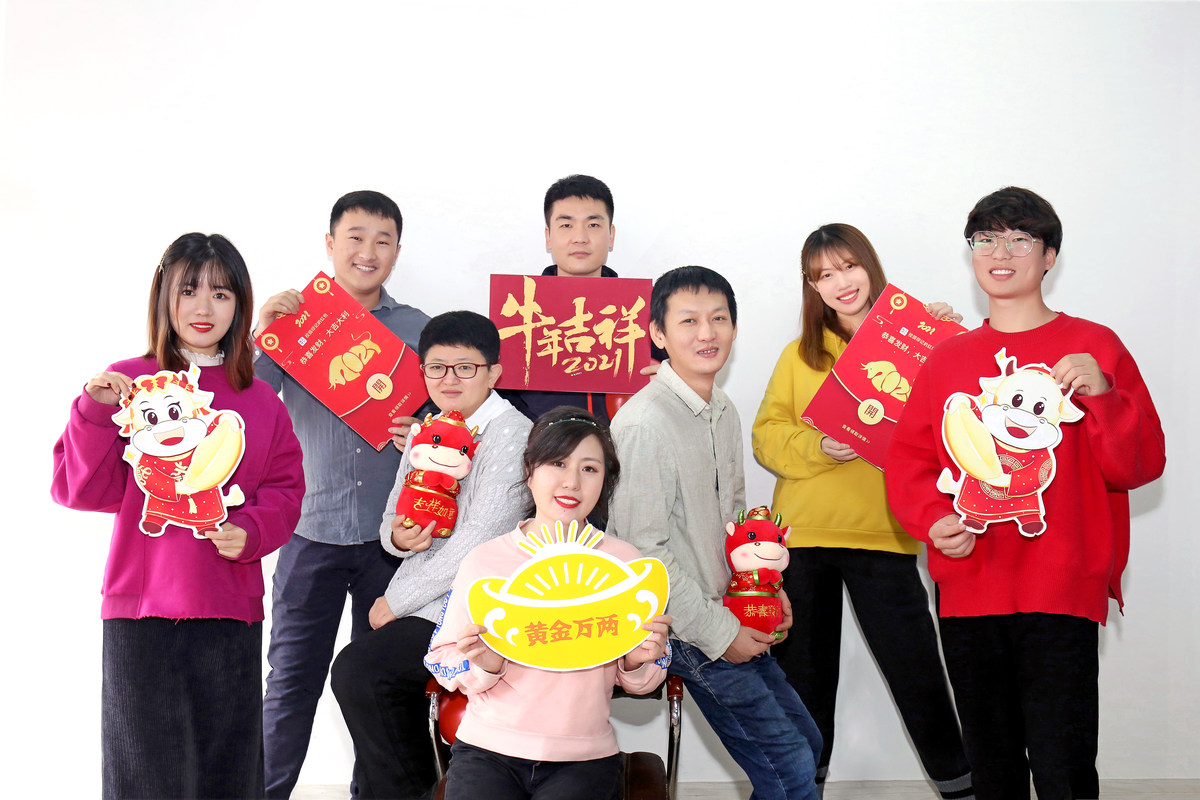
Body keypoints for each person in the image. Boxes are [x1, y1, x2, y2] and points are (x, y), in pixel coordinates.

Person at [886, 187, 1166, 800]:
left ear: (1049, 257)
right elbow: (909, 460)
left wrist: (1104, 394)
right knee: (994, 770)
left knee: (1065, 766)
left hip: (1062, 582)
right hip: (969, 588)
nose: (1000, 253)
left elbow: (1140, 464)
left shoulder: (1096, 346)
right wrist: (932, 521)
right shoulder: (946, 360)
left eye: (1020, 240)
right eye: (985, 239)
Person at [51, 233, 304, 798]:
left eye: (220, 293)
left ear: (240, 304)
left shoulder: (260, 399)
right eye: (188, 290)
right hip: (141, 610)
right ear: (163, 296)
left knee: (228, 772)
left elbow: (286, 488)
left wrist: (252, 530)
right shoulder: (127, 383)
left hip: (230, 606)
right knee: (143, 773)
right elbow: (77, 489)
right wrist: (93, 412)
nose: (202, 307)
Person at [751, 223, 973, 799]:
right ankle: (802, 789)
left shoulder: (919, 341)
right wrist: (819, 447)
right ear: (812, 287)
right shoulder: (799, 355)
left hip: (884, 531)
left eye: (849, 266)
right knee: (804, 679)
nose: (841, 282)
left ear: (870, 266)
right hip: (804, 537)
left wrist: (942, 339)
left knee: (917, 672)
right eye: (824, 274)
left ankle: (961, 786)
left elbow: (956, 421)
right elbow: (766, 436)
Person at [608, 266, 822, 800]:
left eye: (719, 319)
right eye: (689, 321)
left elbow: (739, 524)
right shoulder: (642, 424)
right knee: (791, 765)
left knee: (806, 744)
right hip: (683, 627)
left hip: (733, 606)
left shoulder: (721, 409)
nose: (707, 333)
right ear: (658, 335)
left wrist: (768, 590)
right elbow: (642, 555)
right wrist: (721, 634)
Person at [256, 190, 430, 797]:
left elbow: (454, 425)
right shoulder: (294, 323)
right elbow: (246, 403)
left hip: (394, 542)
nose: (368, 251)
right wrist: (261, 333)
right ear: (330, 244)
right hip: (310, 530)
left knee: (380, 688)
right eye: (355, 237)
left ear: (398, 251)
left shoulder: (419, 329)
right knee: (291, 683)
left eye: (383, 240)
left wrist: (424, 432)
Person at [331, 310, 532, 799]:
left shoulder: (513, 434)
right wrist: (400, 539)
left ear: (493, 372)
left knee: (361, 672)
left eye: (465, 367)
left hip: (473, 604)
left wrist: (397, 602)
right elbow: (390, 521)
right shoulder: (428, 428)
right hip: (424, 598)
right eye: (436, 368)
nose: (449, 379)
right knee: (371, 682)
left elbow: (480, 540)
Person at [424, 406, 672, 800]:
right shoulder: (485, 561)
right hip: (488, 751)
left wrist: (636, 660)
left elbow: (646, 675)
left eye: (589, 468)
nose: (572, 482)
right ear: (530, 470)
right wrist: (487, 664)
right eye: (558, 463)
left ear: (606, 480)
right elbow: (440, 657)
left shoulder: (626, 564)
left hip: (585, 757)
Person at [515, 174, 664, 427]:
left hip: (626, 445)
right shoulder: (519, 311)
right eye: (566, 225)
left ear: (611, 235)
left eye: (593, 225)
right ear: (548, 237)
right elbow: (502, 398)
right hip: (542, 446)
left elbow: (680, 377)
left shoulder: (644, 310)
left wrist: (670, 382)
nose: (580, 237)